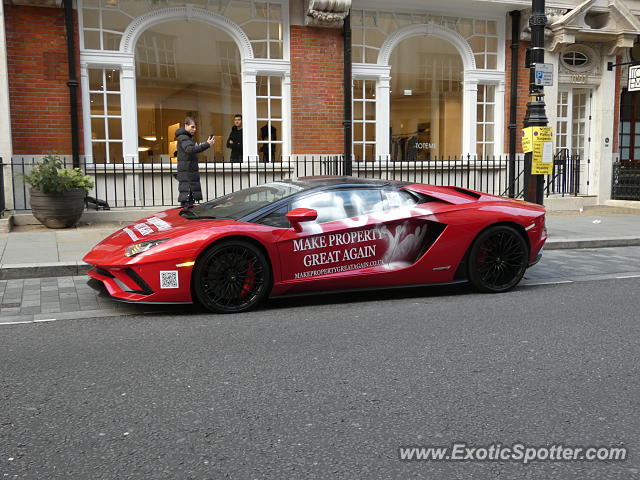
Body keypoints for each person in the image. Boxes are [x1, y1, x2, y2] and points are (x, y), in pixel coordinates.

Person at [175, 116, 214, 206]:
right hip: (188, 176)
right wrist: (206, 144)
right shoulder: (184, 137)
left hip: (188, 175)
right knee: (188, 206)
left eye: (195, 127)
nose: (194, 129)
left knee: (187, 204)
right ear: (186, 125)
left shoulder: (186, 138)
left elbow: (190, 150)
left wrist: (200, 146)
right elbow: (190, 150)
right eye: (192, 127)